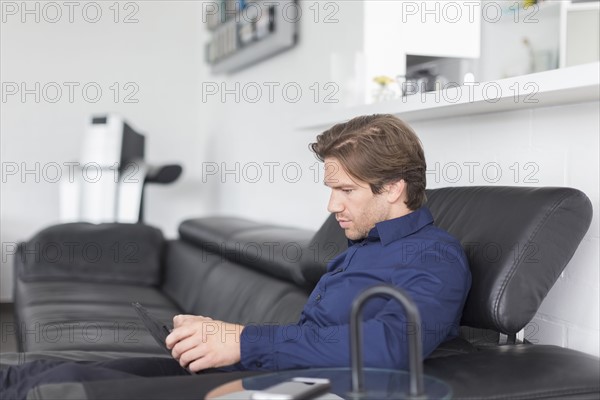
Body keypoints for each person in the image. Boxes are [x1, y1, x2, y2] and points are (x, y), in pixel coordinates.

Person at [1, 114, 471, 398]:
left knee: (62, 388)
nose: (332, 207)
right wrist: (220, 340)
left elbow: (391, 347)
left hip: (299, 388)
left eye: (345, 191)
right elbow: (316, 338)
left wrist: (244, 342)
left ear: (394, 188)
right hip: (272, 372)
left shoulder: (435, 258)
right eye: (331, 190)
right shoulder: (362, 245)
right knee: (50, 370)